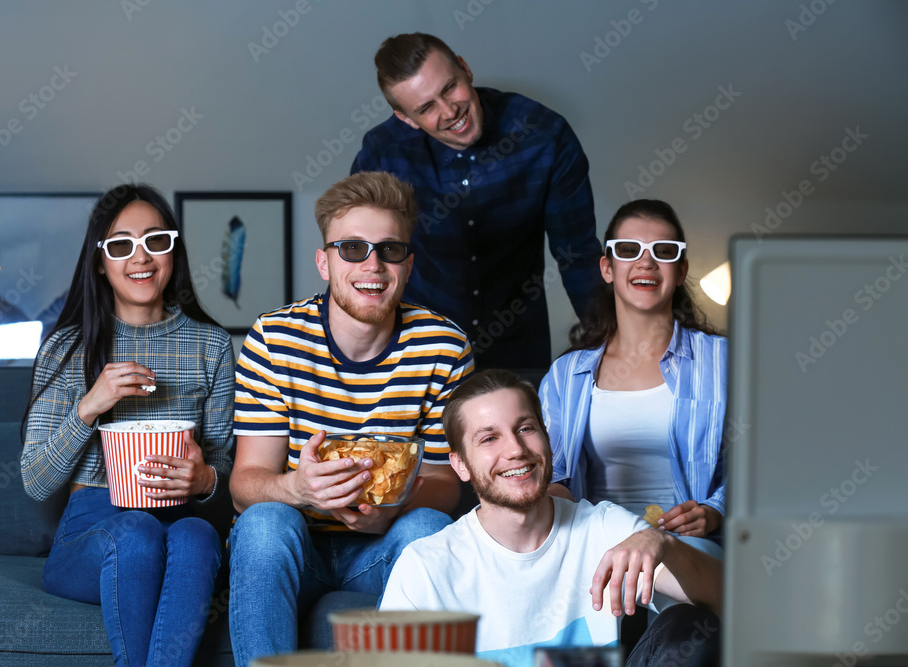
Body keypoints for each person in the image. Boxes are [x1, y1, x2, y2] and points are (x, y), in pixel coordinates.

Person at [227, 171, 474, 665]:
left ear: (408, 264)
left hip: (384, 548)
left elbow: (447, 482)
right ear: (324, 261)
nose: (373, 265)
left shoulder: (443, 346)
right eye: (353, 249)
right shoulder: (274, 341)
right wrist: (297, 488)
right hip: (296, 547)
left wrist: (394, 505)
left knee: (426, 523)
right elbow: (245, 482)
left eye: (390, 250)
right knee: (264, 522)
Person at [21, 184, 234, 667]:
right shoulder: (67, 349)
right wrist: (90, 405)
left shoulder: (211, 346)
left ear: (172, 252)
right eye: (121, 245)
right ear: (100, 262)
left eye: (155, 240)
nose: (141, 257)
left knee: (198, 536)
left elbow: (227, 469)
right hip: (92, 530)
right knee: (136, 530)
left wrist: (205, 480)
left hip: (182, 522)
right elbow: (36, 483)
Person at [381, 369, 722, 667]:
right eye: (489, 438)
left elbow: (733, 602)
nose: (515, 449)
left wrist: (664, 544)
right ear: (460, 465)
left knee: (692, 625)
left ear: (547, 440)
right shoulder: (424, 568)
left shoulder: (603, 528)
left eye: (525, 428)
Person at [351, 32, 602, 370]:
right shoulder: (382, 154)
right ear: (406, 119)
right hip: (413, 353)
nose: (450, 111)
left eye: (449, 88)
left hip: (518, 350)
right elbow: (359, 265)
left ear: (466, 69)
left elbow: (578, 256)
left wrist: (614, 346)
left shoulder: (544, 134)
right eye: (426, 108)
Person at [539, 199, 727, 554]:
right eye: (628, 250)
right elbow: (555, 475)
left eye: (663, 251)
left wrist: (714, 510)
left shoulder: (723, 360)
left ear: (681, 269)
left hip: (689, 548)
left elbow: (757, 464)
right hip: (594, 545)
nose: (646, 262)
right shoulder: (567, 375)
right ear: (607, 267)